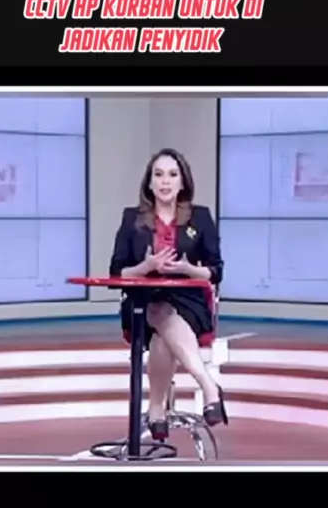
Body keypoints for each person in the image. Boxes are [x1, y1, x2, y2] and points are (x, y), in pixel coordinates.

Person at [109, 147, 228, 441]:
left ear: (182, 181)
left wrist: (189, 269)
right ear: (149, 183)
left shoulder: (200, 217)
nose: (165, 181)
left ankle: (156, 407)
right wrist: (146, 267)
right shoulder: (132, 219)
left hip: (188, 301)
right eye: (159, 175)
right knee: (157, 311)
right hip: (142, 302)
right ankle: (208, 386)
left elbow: (216, 271)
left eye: (172, 175)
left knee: (163, 333)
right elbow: (116, 273)